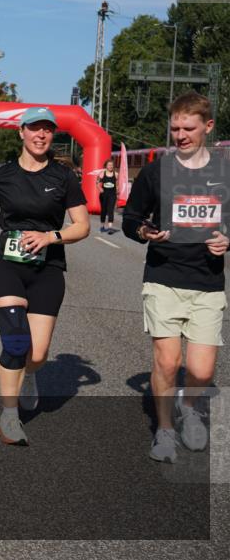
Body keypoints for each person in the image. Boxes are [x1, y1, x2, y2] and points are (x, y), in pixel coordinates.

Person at [0, 107, 90, 445]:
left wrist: (51, 236)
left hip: (48, 269)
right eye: (34, 129)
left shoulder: (63, 178)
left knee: (37, 354)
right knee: (16, 342)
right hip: (7, 265)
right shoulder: (0, 175)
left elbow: (82, 226)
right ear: (21, 132)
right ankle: (9, 416)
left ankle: (31, 375)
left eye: (47, 130)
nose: (40, 135)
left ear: (53, 136)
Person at [121, 92, 227, 463]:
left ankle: (190, 406)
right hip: (163, 277)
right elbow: (131, 219)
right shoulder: (156, 172)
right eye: (175, 128)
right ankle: (164, 430)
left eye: (189, 128)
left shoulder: (223, 171)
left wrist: (226, 241)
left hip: (208, 282)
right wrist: (144, 233)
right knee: (167, 362)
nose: (180, 135)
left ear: (207, 127)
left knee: (201, 369)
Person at [97, 159, 118, 234]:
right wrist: (100, 188)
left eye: (112, 165)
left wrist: (118, 190)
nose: (110, 166)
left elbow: (118, 184)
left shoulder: (116, 174)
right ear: (106, 166)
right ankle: (102, 226)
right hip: (103, 195)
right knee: (103, 210)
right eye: (109, 165)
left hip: (112, 195)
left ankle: (110, 227)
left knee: (110, 210)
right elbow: (97, 183)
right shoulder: (102, 174)